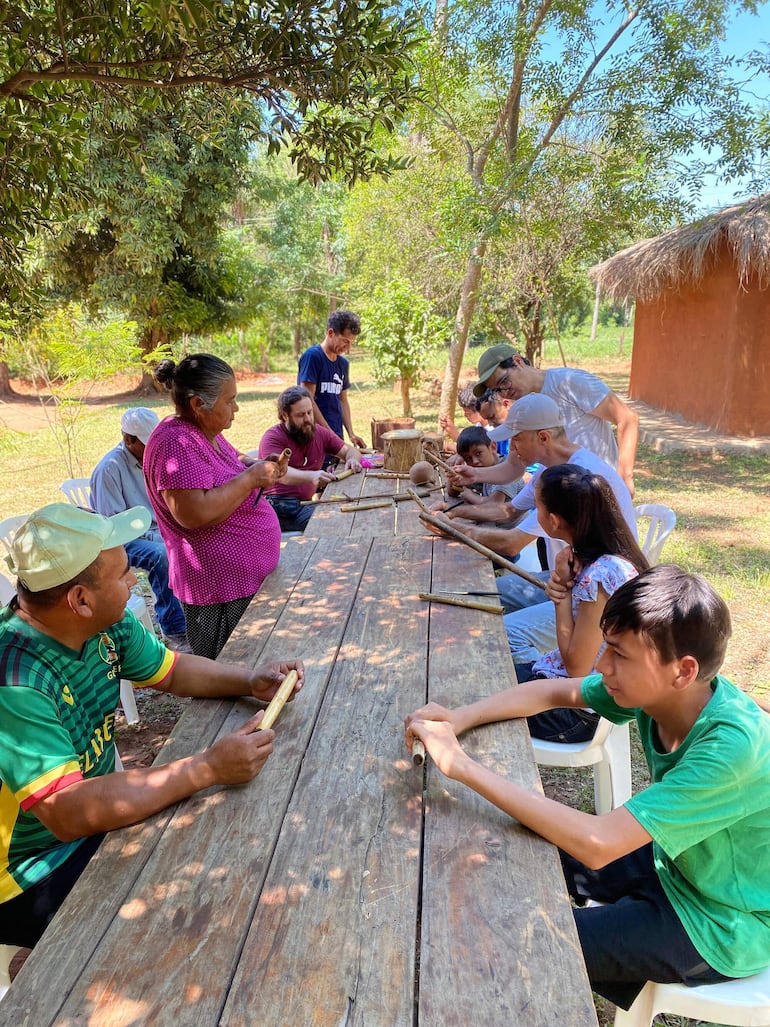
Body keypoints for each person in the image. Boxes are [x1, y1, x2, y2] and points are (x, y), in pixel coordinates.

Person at [405, 566, 770, 1011]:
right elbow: (554, 692)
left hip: (724, 920)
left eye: (619, 654)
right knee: (509, 845)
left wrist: (458, 764)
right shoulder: (665, 693)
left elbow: (599, 844)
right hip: (675, 862)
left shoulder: (730, 749)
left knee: (525, 940)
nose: (601, 665)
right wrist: (461, 717)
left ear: (683, 670)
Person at [0, 502, 303, 949]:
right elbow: (66, 812)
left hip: (99, 817)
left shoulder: (106, 625)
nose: (132, 580)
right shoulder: (15, 681)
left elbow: (173, 671)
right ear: (80, 600)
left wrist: (250, 680)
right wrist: (205, 770)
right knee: (188, 912)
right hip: (32, 869)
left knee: (227, 848)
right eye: (123, 574)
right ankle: (43, 960)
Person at [144, 354, 285, 660]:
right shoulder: (174, 443)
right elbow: (194, 513)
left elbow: (233, 465)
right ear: (197, 405)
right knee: (230, 668)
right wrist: (250, 478)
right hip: (218, 587)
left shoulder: (204, 434)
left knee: (254, 663)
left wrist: (260, 466)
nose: (236, 408)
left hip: (240, 582)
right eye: (230, 400)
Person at [518, 464, 648, 742]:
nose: (534, 513)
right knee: (492, 673)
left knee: (479, 694)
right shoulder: (601, 558)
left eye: (536, 506)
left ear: (553, 521)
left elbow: (577, 666)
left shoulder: (602, 576)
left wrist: (561, 597)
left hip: (577, 711)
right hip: (570, 689)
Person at [472, 343, 639, 494]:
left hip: (599, 491)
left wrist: (624, 477)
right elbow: (513, 467)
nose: (505, 392)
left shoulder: (569, 382)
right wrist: (473, 474)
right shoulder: (523, 407)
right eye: (497, 390)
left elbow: (627, 418)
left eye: (504, 382)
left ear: (518, 361)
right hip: (565, 497)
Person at [90, 407, 190, 651]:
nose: (153, 448)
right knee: (161, 555)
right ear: (128, 439)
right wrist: (159, 535)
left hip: (158, 530)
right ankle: (175, 629)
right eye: (147, 443)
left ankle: (201, 614)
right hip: (122, 540)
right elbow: (113, 527)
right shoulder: (110, 469)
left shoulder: (154, 458)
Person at [258, 386, 362, 532]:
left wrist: (352, 459)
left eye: (310, 412)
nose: (308, 419)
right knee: (336, 520)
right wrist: (312, 476)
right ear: (285, 416)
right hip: (278, 506)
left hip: (302, 504)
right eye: (300, 415)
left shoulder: (318, 432)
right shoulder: (273, 438)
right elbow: (279, 474)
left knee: (346, 513)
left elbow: (350, 450)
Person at [297, 310, 366, 448]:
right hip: (314, 436)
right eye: (345, 341)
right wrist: (329, 434)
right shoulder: (313, 357)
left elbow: (343, 399)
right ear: (330, 333)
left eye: (351, 343)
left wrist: (351, 433)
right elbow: (306, 400)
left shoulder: (343, 364)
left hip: (335, 436)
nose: (348, 347)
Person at [431, 425, 522, 524]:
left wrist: (470, 496)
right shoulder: (482, 469)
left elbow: (494, 504)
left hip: (513, 530)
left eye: (478, 453)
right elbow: (453, 492)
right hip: (493, 526)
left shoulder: (506, 468)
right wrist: (454, 471)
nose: (474, 461)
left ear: (493, 447)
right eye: (468, 458)